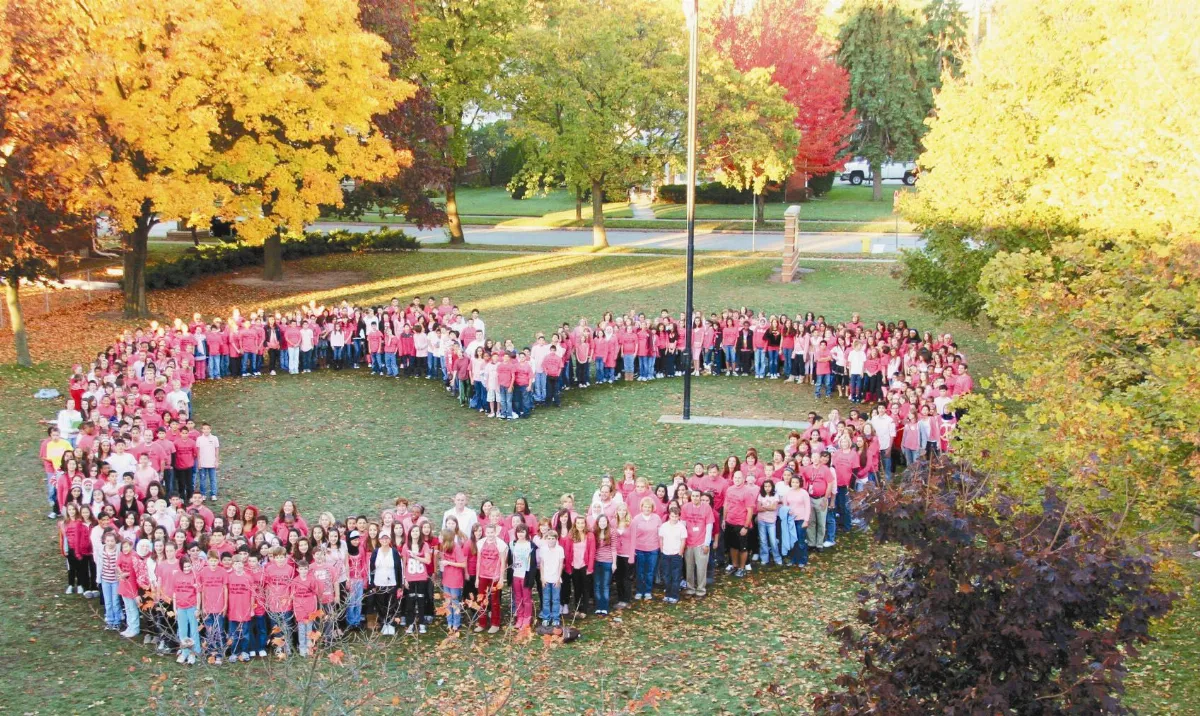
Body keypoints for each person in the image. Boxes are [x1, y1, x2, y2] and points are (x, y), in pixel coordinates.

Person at [474, 523, 508, 633]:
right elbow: (478, 561)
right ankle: (482, 623)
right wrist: (477, 578)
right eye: (488, 532)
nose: (490, 535)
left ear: (495, 532)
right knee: (481, 599)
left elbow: (503, 562)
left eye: (492, 532)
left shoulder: (501, 544)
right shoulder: (480, 543)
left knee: (494, 600)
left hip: (495, 576)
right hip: (483, 575)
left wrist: (502, 578)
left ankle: (495, 623)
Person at [401, 524, 432, 634]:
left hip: (421, 576)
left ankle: (422, 623)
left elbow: (428, 560)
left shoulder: (424, 545)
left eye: (417, 531)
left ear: (420, 533)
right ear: (409, 533)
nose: (415, 533)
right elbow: (404, 563)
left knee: (421, 600)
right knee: (410, 601)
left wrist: (415, 556)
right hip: (410, 577)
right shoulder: (406, 546)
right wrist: (404, 578)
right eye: (413, 531)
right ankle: (410, 624)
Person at [631, 497, 662, 600]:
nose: (647, 509)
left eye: (649, 507)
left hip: (653, 549)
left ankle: (648, 591)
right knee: (640, 571)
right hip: (639, 549)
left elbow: (660, 534)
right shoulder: (636, 519)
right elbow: (633, 535)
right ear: (641, 507)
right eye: (645, 506)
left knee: (650, 571)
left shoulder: (657, 518)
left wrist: (661, 547)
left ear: (652, 508)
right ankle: (639, 591)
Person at [536, 522, 565, 627]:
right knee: (546, 599)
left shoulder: (560, 549)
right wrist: (542, 578)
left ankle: (556, 618)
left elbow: (561, 564)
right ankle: (546, 617)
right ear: (546, 539)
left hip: (556, 579)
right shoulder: (543, 549)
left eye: (553, 538)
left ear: (556, 539)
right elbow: (542, 564)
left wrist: (558, 578)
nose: (551, 540)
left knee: (556, 599)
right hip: (546, 579)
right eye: (549, 538)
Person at [657, 506, 687, 604]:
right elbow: (661, 538)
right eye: (672, 516)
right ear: (669, 516)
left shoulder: (681, 527)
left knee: (676, 576)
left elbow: (683, 541)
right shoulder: (664, 526)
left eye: (676, 516)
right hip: (665, 554)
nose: (674, 518)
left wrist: (680, 553)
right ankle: (668, 594)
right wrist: (662, 550)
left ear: (679, 517)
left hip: (676, 555)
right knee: (666, 575)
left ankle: (674, 595)